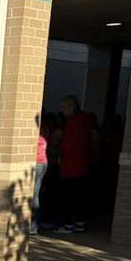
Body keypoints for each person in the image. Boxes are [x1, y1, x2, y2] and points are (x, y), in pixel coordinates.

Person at [57, 95, 98, 234]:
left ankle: (68, 225)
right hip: (83, 165)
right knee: (79, 197)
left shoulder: (73, 123)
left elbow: (67, 146)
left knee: (69, 197)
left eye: (64, 107)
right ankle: (79, 223)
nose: (62, 110)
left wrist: (58, 149)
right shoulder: (87, 121)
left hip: (71, 166)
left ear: (71, 106)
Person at [30, 114, 49, 236]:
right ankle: (34, 225)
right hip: (43, 163)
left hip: (37, 164)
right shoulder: (44, 132)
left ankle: (34, 226)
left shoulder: (36, 134)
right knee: (35, 195)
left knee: (34, 196)